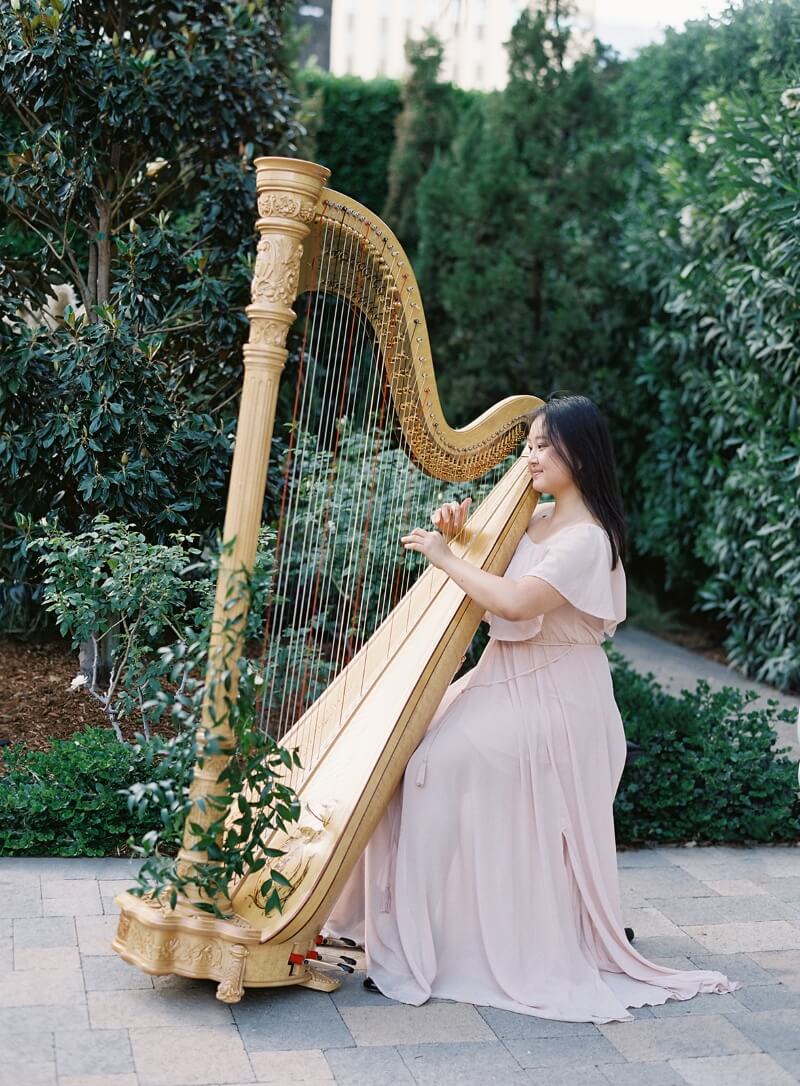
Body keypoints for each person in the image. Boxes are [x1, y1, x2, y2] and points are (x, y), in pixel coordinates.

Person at [322, 394, 740, 1024]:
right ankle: (404, 930)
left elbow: (517, 604)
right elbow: (498, 577)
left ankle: (426, 946)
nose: (531, 455)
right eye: (529, 444)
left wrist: (443, 558)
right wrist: (465, 535)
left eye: (545, 445)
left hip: (555, 698)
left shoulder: (588, 539)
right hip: (503, 680)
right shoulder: (532, 516)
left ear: (581, 452)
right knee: (405, 755)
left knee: (437, 764)